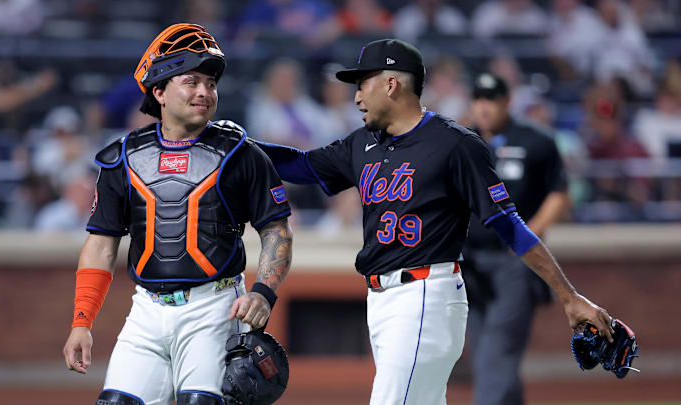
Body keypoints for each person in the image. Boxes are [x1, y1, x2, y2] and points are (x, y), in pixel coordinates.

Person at [257, 38, 614, 405]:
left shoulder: (455, 144)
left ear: (391, 84)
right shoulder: (362, 143)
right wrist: (234, 145)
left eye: (363, 83)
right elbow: (300, 165)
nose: (357, 97)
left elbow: (510, 226)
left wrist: (568, 297)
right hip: (381, 301)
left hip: (426, 295)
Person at [61, 24, 293, 405]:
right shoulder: (123, 156)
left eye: (210, 83)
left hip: (214, 307)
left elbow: (276, 231)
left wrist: (264, 292)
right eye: (191, 81)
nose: (204, 91)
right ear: (159, 92)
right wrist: (81, 323)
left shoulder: (242, 154)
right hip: (146, 310)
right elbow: (101, 244)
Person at [463, 73, 570, 405]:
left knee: (497, 350)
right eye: (479, 99)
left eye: (491, 99)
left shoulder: (536, 142)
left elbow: (559, 194)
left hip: (513, 260)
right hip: (469, 263)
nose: (484, 107)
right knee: (485, 351)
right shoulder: (462, 142)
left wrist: (528, 236)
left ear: (507, 101)